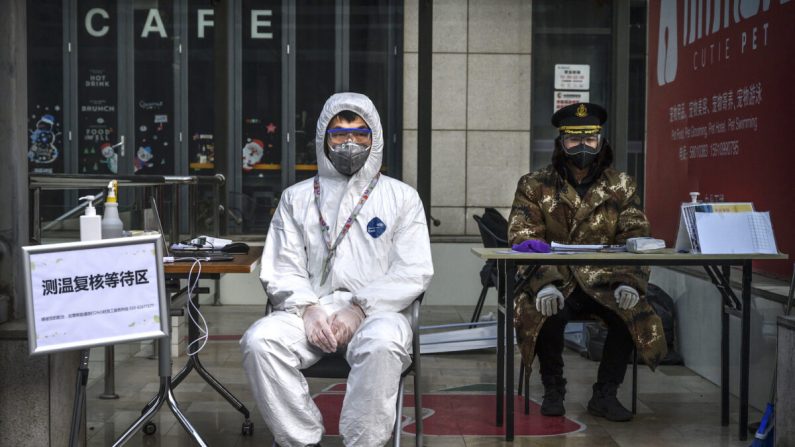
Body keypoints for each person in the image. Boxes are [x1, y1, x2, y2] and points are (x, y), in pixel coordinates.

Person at [241, 92, 433, 447]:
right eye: (339, 133)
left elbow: (413, 270)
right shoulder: (296, 198)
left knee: (383, 344)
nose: (349, 143)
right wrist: (308, 308)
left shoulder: (401, 198)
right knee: (259, 341)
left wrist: (360, 308)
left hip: (378, 312)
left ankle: (363, 443)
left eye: (360, 133)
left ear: (373, 139)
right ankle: (301, 438)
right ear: (323, 139)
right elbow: (281, 266)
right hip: (308, 310)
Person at [508, 102, 667, 422]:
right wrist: (543, 283)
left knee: (632, 313)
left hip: (605, 281)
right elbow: (523, 238)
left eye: (590, 139)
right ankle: (553, 388)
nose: (582, 146)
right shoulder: (534, 184)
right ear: (560, 143)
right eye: (573, 140)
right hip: (559, 281)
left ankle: (605, 393)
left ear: (601, 141)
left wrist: (630, 281)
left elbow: (637, 236)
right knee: (543, 314)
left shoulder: (621, 184)